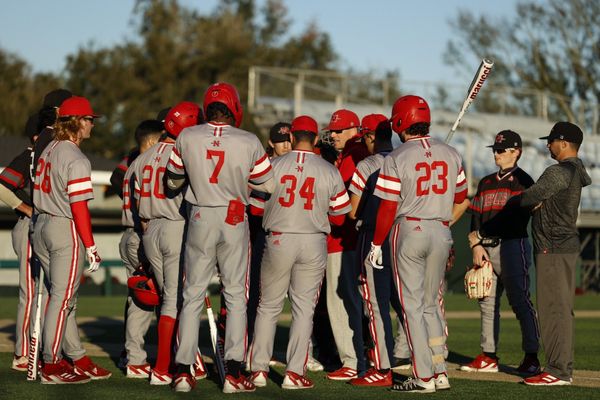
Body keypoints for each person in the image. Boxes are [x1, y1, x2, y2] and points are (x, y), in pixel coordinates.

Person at [166, 82, 274, 393]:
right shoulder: (249, 140)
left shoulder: (187, 136)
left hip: (199, 213)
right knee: (236, 295)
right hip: (234, 214)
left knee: (192, 294)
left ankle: (184, 371)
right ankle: (233, 373)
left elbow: (173, 181)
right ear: (234, 107)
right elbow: (266, 185)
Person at [367, 95, 467, 393]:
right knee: (430, 305)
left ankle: (423, 376)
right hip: (441, 228)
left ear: (400, 122)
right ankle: (439, 371)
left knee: (411, 307)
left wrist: (376, 243)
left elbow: (387, 207)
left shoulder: (396, 158)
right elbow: (461, 198)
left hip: (409, 229)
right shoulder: (451, 153)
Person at [247, 115, 351, 389]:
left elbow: (255, 209)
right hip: (314, 240)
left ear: (291, 137)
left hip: (278, 238)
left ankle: (258, 370)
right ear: (316, 139)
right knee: (304, 309)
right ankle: (294, 373)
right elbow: (341, 216)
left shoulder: (272, 165)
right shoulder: (329, 170)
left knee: (268, 306)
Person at [32, 96, 111, 384]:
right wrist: (90, 245)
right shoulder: (76, 157)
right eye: (89, 119)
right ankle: (52, 363)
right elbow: (79, 206)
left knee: (63, 299)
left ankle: (76, 356)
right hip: (63, 228)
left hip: (40, 224)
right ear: (76, 121)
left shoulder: (49, 148)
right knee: (63, 300)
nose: (92, 124)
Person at [134, 102, 205, 385]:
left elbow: (137, 203)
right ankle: (164, 368)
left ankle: (177, 362)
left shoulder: (142, 157)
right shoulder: (184, 153)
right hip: (176, 226)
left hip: (150, 228)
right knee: (174, 303)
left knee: (168, 302)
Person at [463, 130, 541, 375]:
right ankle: (488, 355)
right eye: (494, 149)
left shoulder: (524, 180)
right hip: (485, 248)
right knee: (486, 303)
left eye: (501, 150)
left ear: (516, 151)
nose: (496, 154)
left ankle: (531, 356)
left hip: (511, 245)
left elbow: (515, 217)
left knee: (520, 301)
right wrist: (476, 245)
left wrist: (481, 237)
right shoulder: (486, 181)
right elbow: (475, 215)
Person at [519, 122, 591, 386]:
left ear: (563, 143)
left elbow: (529, 196)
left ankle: (558, 371)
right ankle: (562, 368)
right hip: (564, 245)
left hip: (553, 246)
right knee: (560, 309)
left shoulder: (559, 171)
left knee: (553, 310)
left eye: (551, 141)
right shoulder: (577, 170)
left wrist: (526, 200)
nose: (547, 145)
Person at [347, 113, 400, 387]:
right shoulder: (404, 158)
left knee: (376, 303)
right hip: (402, 236)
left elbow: (353, 211)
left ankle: (382, 367)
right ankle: (428, 365)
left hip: (372, 237)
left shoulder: (368, 164)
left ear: (370, 137)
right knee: (405, 303)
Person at [324, 109, 370, 380]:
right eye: (332, 130)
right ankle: (366, 355)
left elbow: (344, 207)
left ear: (356, 130)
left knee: (341, 300)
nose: (333, 134)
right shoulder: (350, 155)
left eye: (339, 130)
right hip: (354, 239)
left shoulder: (355, 156)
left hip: (344, 239)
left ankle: (352, 360)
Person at [118, 119, 164, 378]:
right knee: (145, 300)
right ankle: (136, 358)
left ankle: (133, 356)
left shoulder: (134, 164)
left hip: (128, 234)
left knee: (138, 298)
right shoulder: (147, 164)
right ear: (151, 141)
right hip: (140, 234)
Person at [0, 113, 43, 371]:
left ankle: (40, 348)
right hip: (28, 227)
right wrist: (25, 208)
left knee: (44, 293)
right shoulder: (30, 156)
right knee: (29, 292)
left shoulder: (50, 157)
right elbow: (3, 185)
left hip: (44, 228)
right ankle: (22, 353)